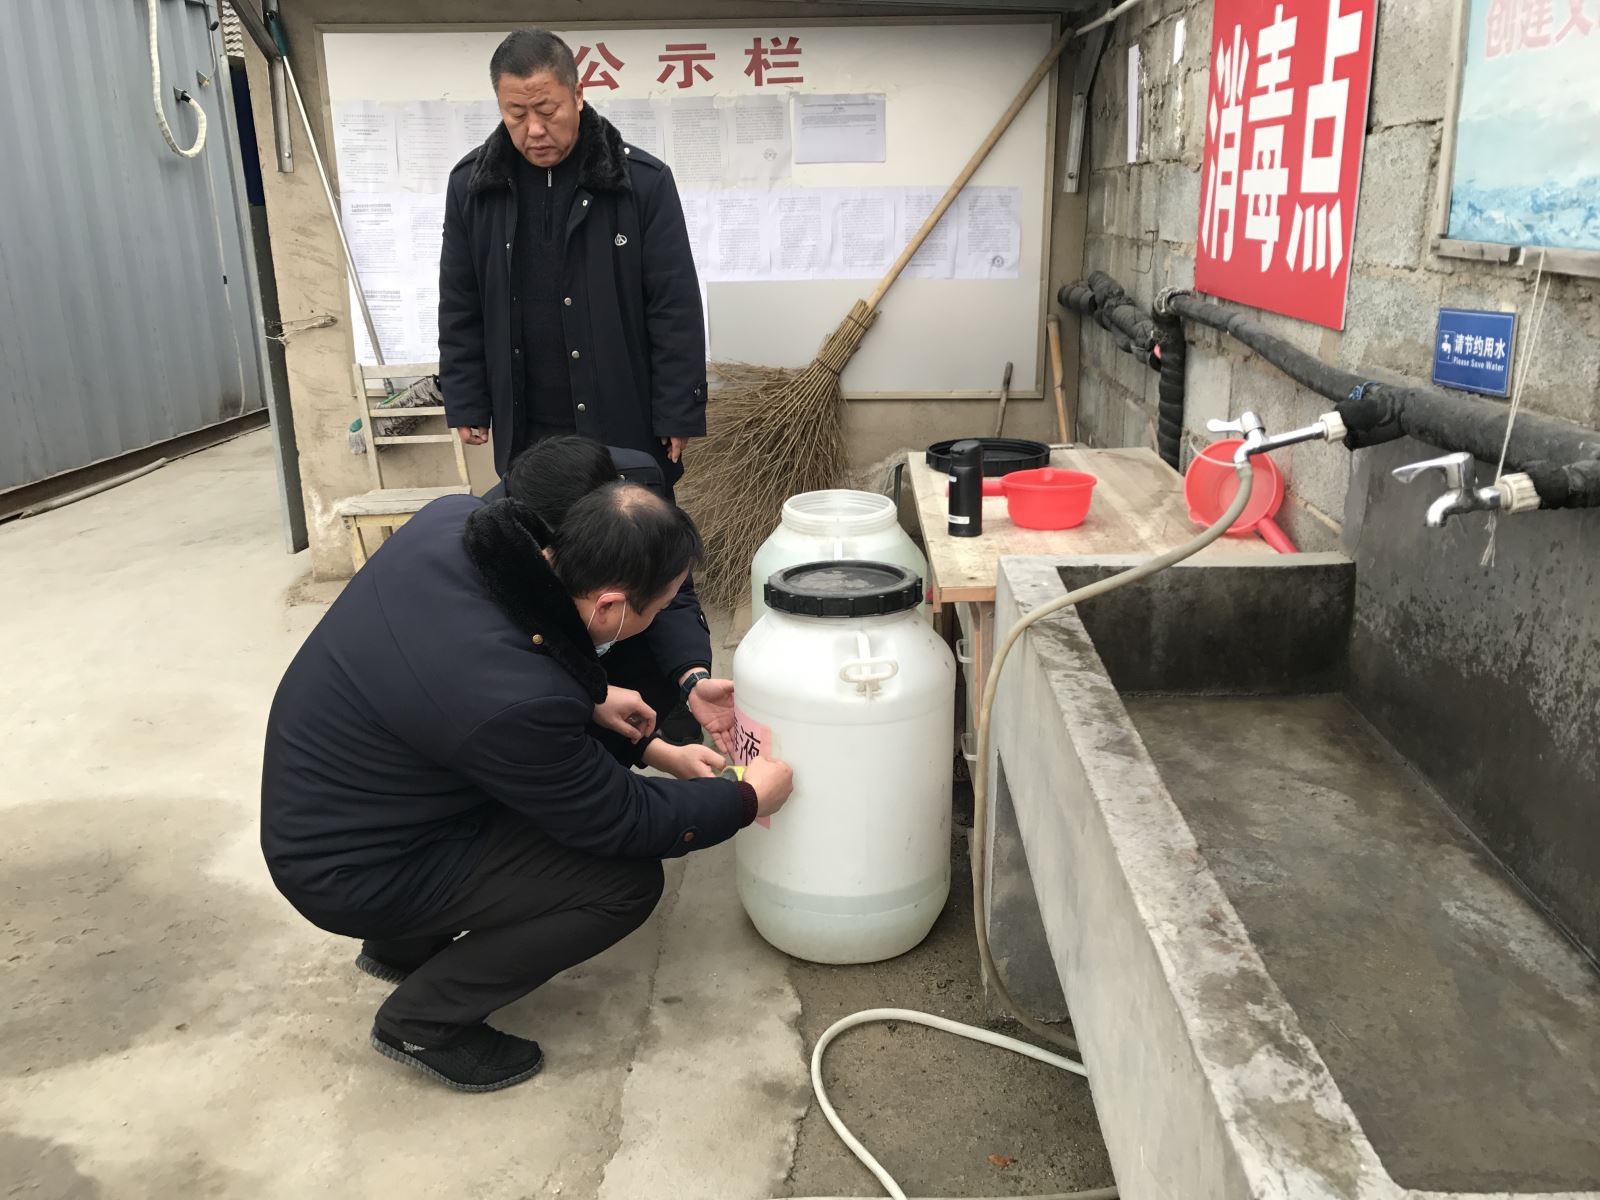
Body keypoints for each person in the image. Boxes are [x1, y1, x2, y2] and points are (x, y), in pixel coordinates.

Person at [259, 485, 793, 1092]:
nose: (658, 617)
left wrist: (607, 709)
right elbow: (621, 819)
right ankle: (425, 1022)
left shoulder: (454, 524)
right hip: (349, 869)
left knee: (539, 810)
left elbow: (482, 680)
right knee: (621, 885)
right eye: (660, 607)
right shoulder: (515, 702)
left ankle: (402, 947)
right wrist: (745, 798)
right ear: (611, 606)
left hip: (342, 798)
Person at [439, 28, 705, 487]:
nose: (534, 129)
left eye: (547, 111)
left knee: (628, 530)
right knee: (534, 531)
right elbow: (460, 301)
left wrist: (677, 409)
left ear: (578, 95)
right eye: (516, 114)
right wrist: (466, 399)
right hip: (525, 427)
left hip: (623, 418)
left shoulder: (640, 183)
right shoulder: (473, 187)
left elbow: (673, 305)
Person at [487, 435, 733, 760]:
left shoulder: (638, 489)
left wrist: (692, 679)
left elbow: (669, 589)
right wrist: (588, 695)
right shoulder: (495, 549)